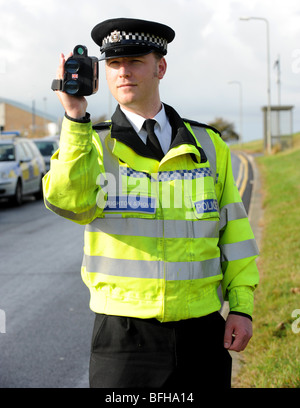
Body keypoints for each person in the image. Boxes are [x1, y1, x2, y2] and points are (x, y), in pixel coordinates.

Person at [44, 17, 259, 389]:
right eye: (113, 64)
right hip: (124, 337)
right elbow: (69, 203)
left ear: (160, 67)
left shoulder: (209, 146)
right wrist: (75, 116)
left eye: (134, 61)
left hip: (203, 329)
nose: (123, 72)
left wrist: (241, 307)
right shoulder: (90, 143)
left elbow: (235, 234)